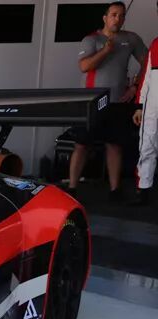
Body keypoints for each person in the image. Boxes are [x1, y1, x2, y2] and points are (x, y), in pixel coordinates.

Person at [68, 1, 147, 200]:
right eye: (113, 15)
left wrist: (135, 86)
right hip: (91, 101)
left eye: (121, 15)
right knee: (81, 144)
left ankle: (114, 190)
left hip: (117, 101)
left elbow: (149, 63)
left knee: (115, 144)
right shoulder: (91, 39)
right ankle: (72, 188)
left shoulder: (131, 39)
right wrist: (105, 51)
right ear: (105, 17)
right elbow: (84, 67)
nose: (117, 19)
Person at [133, 23, 158, 205]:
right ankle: (143, 190)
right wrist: (139, 106)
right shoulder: (156, 44)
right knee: (147, 145)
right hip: (152, 107)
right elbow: (146, 77)